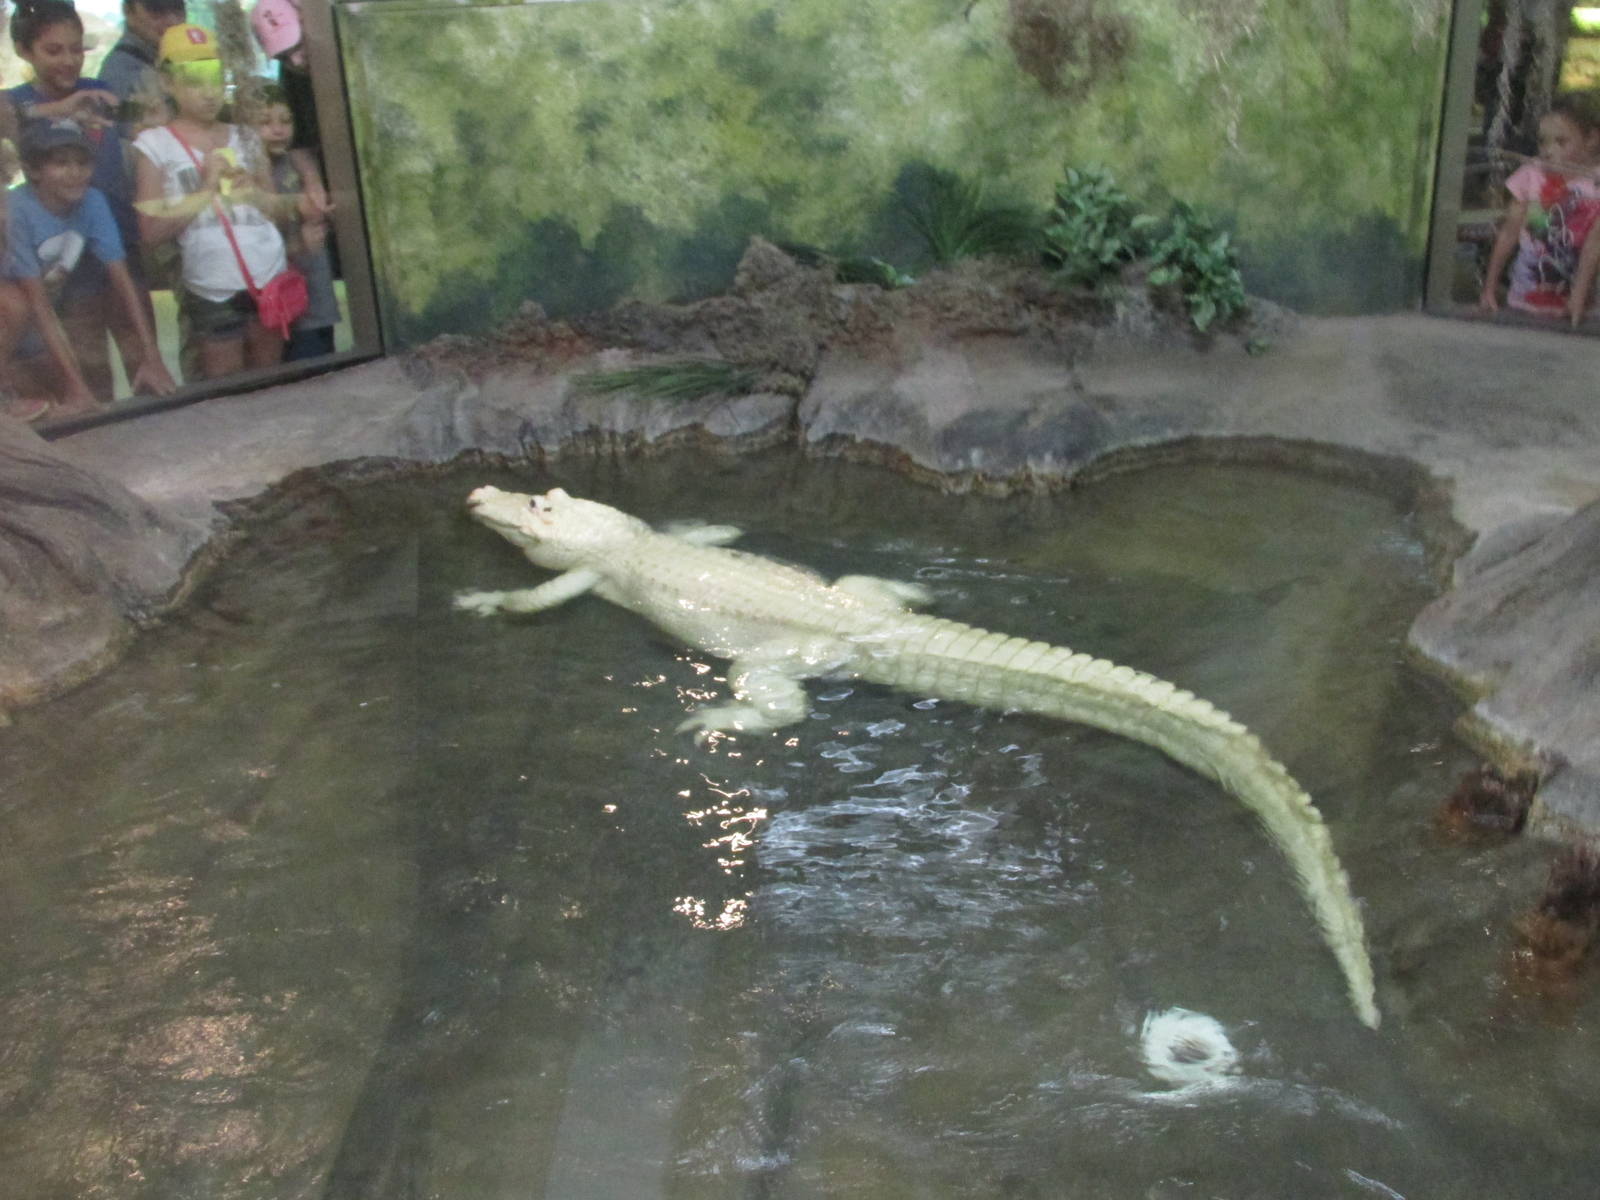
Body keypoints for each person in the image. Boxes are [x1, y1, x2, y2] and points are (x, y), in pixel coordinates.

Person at [6, 0, 155, 396]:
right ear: (23, 50)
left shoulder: (100, 91)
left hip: (118, 233)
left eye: (76, 49)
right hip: (64, 262)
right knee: (91, 366)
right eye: (53, 50)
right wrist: (58, 108)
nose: (69, 60)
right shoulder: (16, 102)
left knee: (140, 349)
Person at [133, 23, 292, 379]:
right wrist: (205, 190)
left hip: (269, 274)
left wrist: (254, 193)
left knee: (273, 383)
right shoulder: (155, 144)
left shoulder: (247, 136)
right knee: (226, 388)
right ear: (167, 82)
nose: (209, 93)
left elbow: (281, 214)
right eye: (194, 81)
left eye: (215, 79)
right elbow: (150, 231)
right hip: (211, 285)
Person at [0, 118, 175, 416]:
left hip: (34, 323)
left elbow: (122, 279)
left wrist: (151, 354)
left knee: (59, 399)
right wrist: (77, 386)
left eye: (82, 163)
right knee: (18, 306)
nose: (75, 173)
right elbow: (37, 304)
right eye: (61, 163)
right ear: (33, 171)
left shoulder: (93, 201)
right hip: (16, 316)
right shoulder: (17, 210)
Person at [1478, 94, 1600, 320]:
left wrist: (1579, 296)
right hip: (1525, 299)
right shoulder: (1531, 176)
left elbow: (1595, 245)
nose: (1548, 151)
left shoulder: (1596, 184)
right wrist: (1489, 287)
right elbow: (1508, 233)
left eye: (1561, 142)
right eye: (1542, 141)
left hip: (1582, 308)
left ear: (1591, 139)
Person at [241, 81, 338, 360]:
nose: (278, 130)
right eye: (265, 122)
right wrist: (300, 244)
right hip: (275, 308)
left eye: (286, 121)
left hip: (315, 302)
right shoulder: (244, 176)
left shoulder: (300, 161)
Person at [97, 0, 186, 134]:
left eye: (178, 7)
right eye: (156, 9)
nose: (172, 20)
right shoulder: (122, 74)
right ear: (128, 12)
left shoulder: (171, 59)